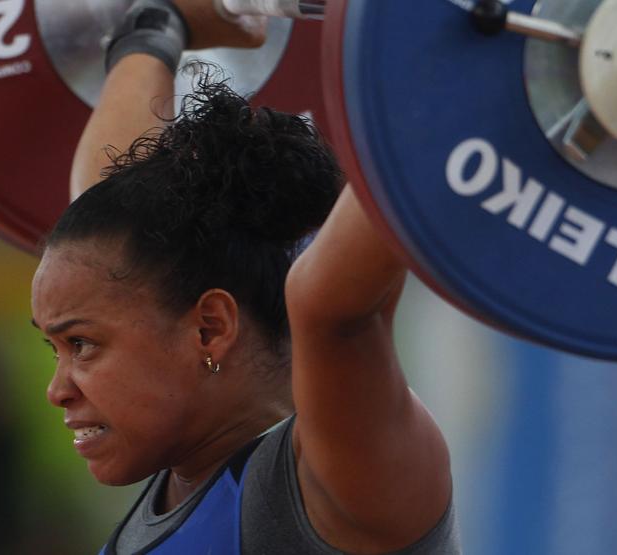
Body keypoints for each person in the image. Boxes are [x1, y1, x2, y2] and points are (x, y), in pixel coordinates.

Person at [30, 1, 458, 552]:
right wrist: (157, 27)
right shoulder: (177, 480)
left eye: (81, 345)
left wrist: (457, 53)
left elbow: (332, 308)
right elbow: (107, 211)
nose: (56, 390)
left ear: (209, 327)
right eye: (58, 347)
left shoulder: (344, 483)